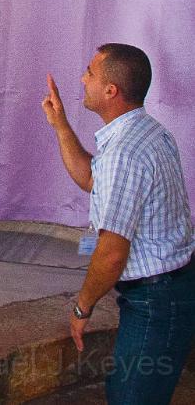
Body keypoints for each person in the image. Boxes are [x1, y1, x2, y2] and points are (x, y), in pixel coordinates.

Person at [42, 43, 195, 404]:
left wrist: (82, 307)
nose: (83, 78)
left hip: (156, 301)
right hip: (168, 291)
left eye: (90, 73)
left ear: (111, 91)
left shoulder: (124, 153)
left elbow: (111, 256)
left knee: (130, 398)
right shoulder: (147, 132)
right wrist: (60, 123)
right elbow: (93, 180)